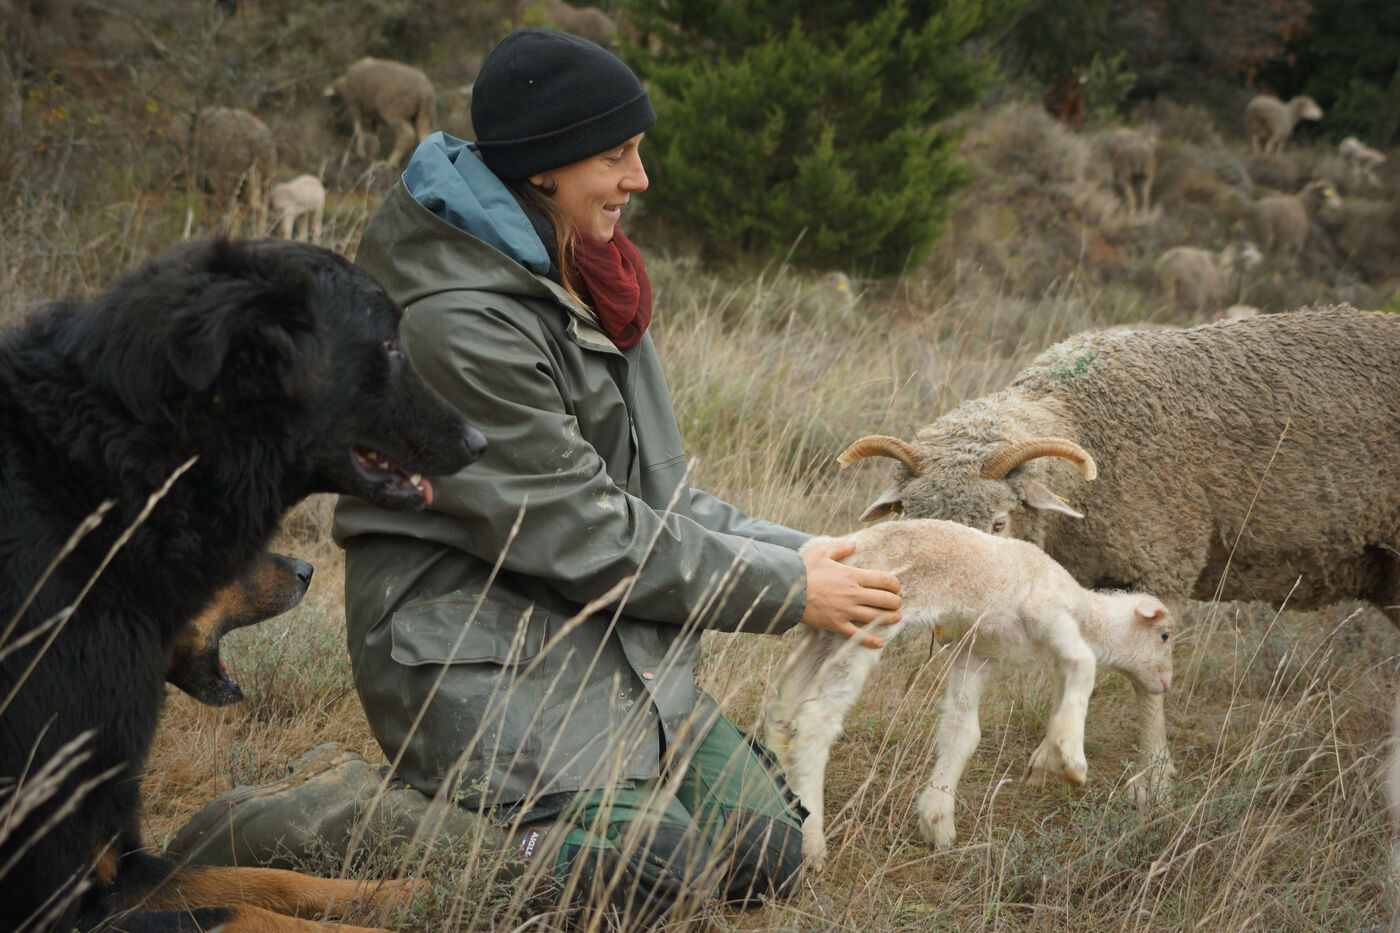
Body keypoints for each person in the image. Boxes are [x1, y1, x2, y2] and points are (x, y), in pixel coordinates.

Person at [330, 27, 903, 925]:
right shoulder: (458, 325)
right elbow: (583, 528)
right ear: (543, 169)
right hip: (477, 656)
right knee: (650, 880)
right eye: (616, 155)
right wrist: (790, 589)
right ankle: (319, 816)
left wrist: (815, 552)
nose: (640, 178)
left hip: (597, 640)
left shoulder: (587, 280)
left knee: (764, 856)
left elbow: (649, 500)